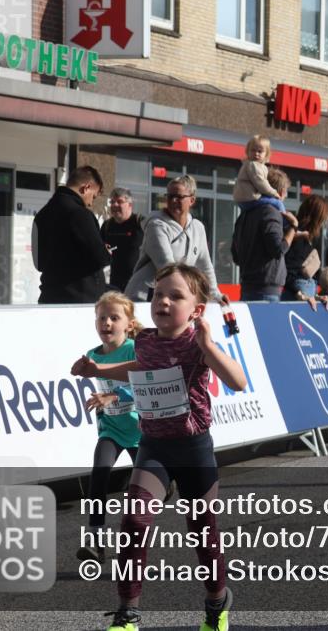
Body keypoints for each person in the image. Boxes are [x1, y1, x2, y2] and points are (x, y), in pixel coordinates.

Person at [71, 264, 248, 631]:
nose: (163, 301)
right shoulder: (147, 341)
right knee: (134, 521)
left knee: (203, 530)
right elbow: (138, 367)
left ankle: (217, 602)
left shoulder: (197, 342)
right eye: (157, 294)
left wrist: (208, 346)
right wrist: (97, 371)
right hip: (154, 448)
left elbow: (238, 380)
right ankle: (128, 613)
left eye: (175, 296)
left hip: (194, 449)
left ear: (197, 310)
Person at [77, 291, 142, 564]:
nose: (107, 323)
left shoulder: (134, 350)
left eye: (114, 318)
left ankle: (132, 548)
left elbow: (141, 385)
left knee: (140, 493)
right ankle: (95, 540)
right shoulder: (92, 356)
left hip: (140, 431)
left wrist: (112, 396)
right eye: (101, 317)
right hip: (111, 430)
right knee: (99, 475)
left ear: (128, 324)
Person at [125, 176, 223, 303]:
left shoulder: (198, 227)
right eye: (170, 196)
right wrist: (189, 293)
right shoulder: (156, 225)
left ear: (192, 200)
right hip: (144, 296)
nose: (173, 200)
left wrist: (215, 295)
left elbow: (205, 265)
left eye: (179, 197)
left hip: (173, 295)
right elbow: (167, 266)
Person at [33, 166, 111, 303]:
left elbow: (39, 263)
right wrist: (105, 251)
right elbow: (100, 257)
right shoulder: (80, 214)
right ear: (86, 188)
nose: (90, 203)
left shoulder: (42, 215)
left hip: (49, 295)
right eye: (93, 196)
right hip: (80, 297)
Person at [231, 168, 298, 302]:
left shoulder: (244, 214)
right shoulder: (271, 212)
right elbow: (279, 249)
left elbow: (236, 256)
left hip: (247, 286)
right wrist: (293, 227)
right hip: (267, 291)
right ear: (280, 192)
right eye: (285, 193)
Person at [282, 195, 328, 310]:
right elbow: (289, 271)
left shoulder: (307, 236)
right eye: (324, 217)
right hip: (299, 294)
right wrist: (300, 293)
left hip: (304, 292)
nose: (325, 221)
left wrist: (316, 296)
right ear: (317, 218)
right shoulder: (301, 237)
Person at [101, 188, 145, 292]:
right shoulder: (107, 226)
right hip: (114, 285)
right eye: (112, 202)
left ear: (130, 205)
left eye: (119, 201)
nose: (114, 205)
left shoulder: (141, 223)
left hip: (139, 286)